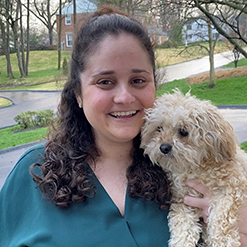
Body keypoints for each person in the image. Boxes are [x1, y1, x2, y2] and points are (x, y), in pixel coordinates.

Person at [0, 6, 246, 247]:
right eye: (105, 82)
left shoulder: (184, 168)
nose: (124, 97)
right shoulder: (33, 175)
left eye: (138, 80)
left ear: (154, 85)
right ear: (78, 93)